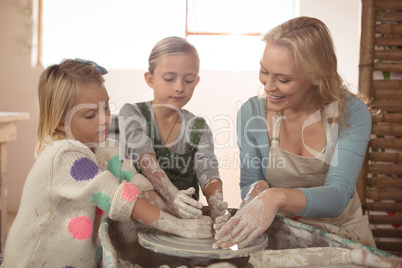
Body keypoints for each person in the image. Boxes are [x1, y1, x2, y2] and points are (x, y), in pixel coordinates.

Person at [1, 59, 212, 268]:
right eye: (91, 114)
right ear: (61, 121)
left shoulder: (102, 149)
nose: (104, 119)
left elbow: (134, 182)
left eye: (107, 108)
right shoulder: (64, 155)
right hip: (32, 262)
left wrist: (174, 208)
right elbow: (115, 197)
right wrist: (178, 227)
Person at [213, 16, 376, 249]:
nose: (268, 86)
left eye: (283, 79)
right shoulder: (252, 113)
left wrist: (274, 197)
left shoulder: (351, 113)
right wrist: (255, 193)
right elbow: (251, 180)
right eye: (264, 71)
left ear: (316, 76)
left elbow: (339, 195)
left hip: (343, 234)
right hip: (281, 230)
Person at [119, 37, 230, 225]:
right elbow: (144, 156)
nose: (179, 88)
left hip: (186, 220)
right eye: (169, 79)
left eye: (188, 80)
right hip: (139, 220)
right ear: (150, 79)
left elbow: (208, 171)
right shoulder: (132, 113)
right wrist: (172, 196)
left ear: (197, 81)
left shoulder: (198, 127)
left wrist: (217, 207)